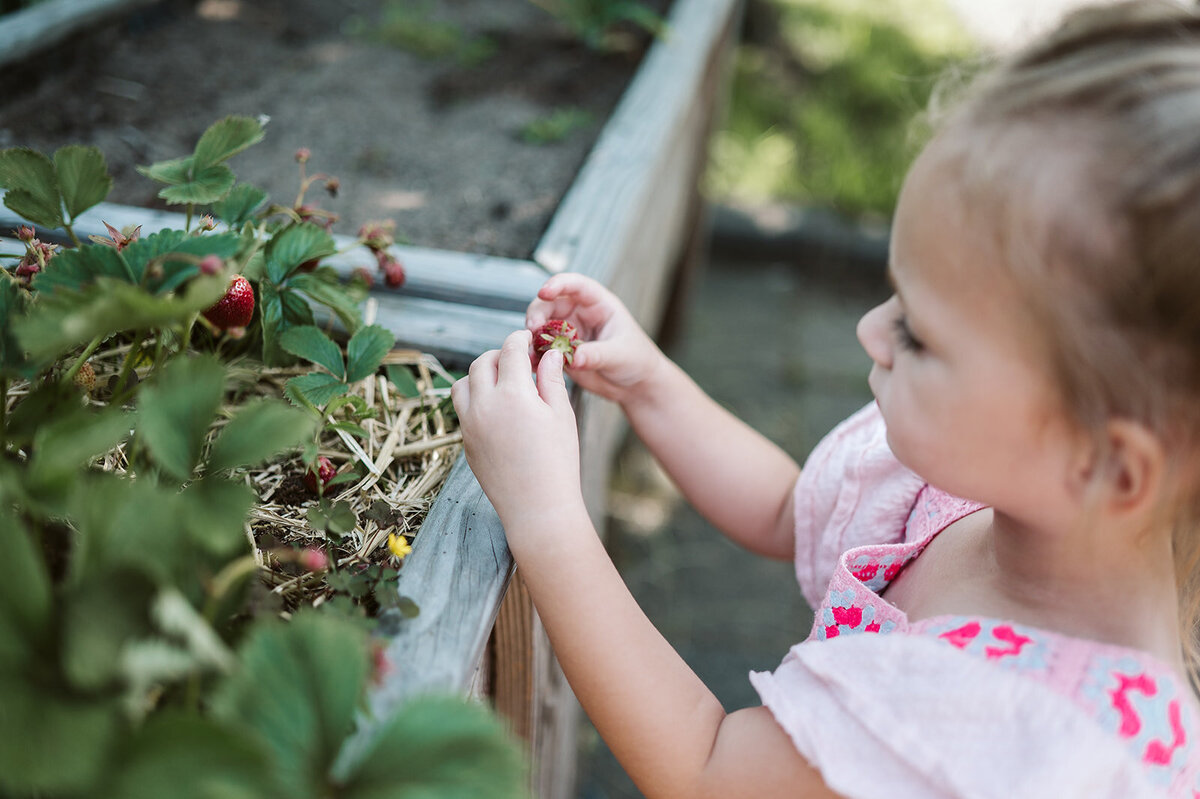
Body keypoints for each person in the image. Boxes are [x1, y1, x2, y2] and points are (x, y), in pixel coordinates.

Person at [450, 1, 1200, 795]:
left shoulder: (1024, 737)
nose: (871, 331)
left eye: (919, 334)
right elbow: (785, 506)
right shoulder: (980, 486)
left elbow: (707, 768)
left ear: (1109, 463)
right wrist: (650, 383)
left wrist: (546, 517)